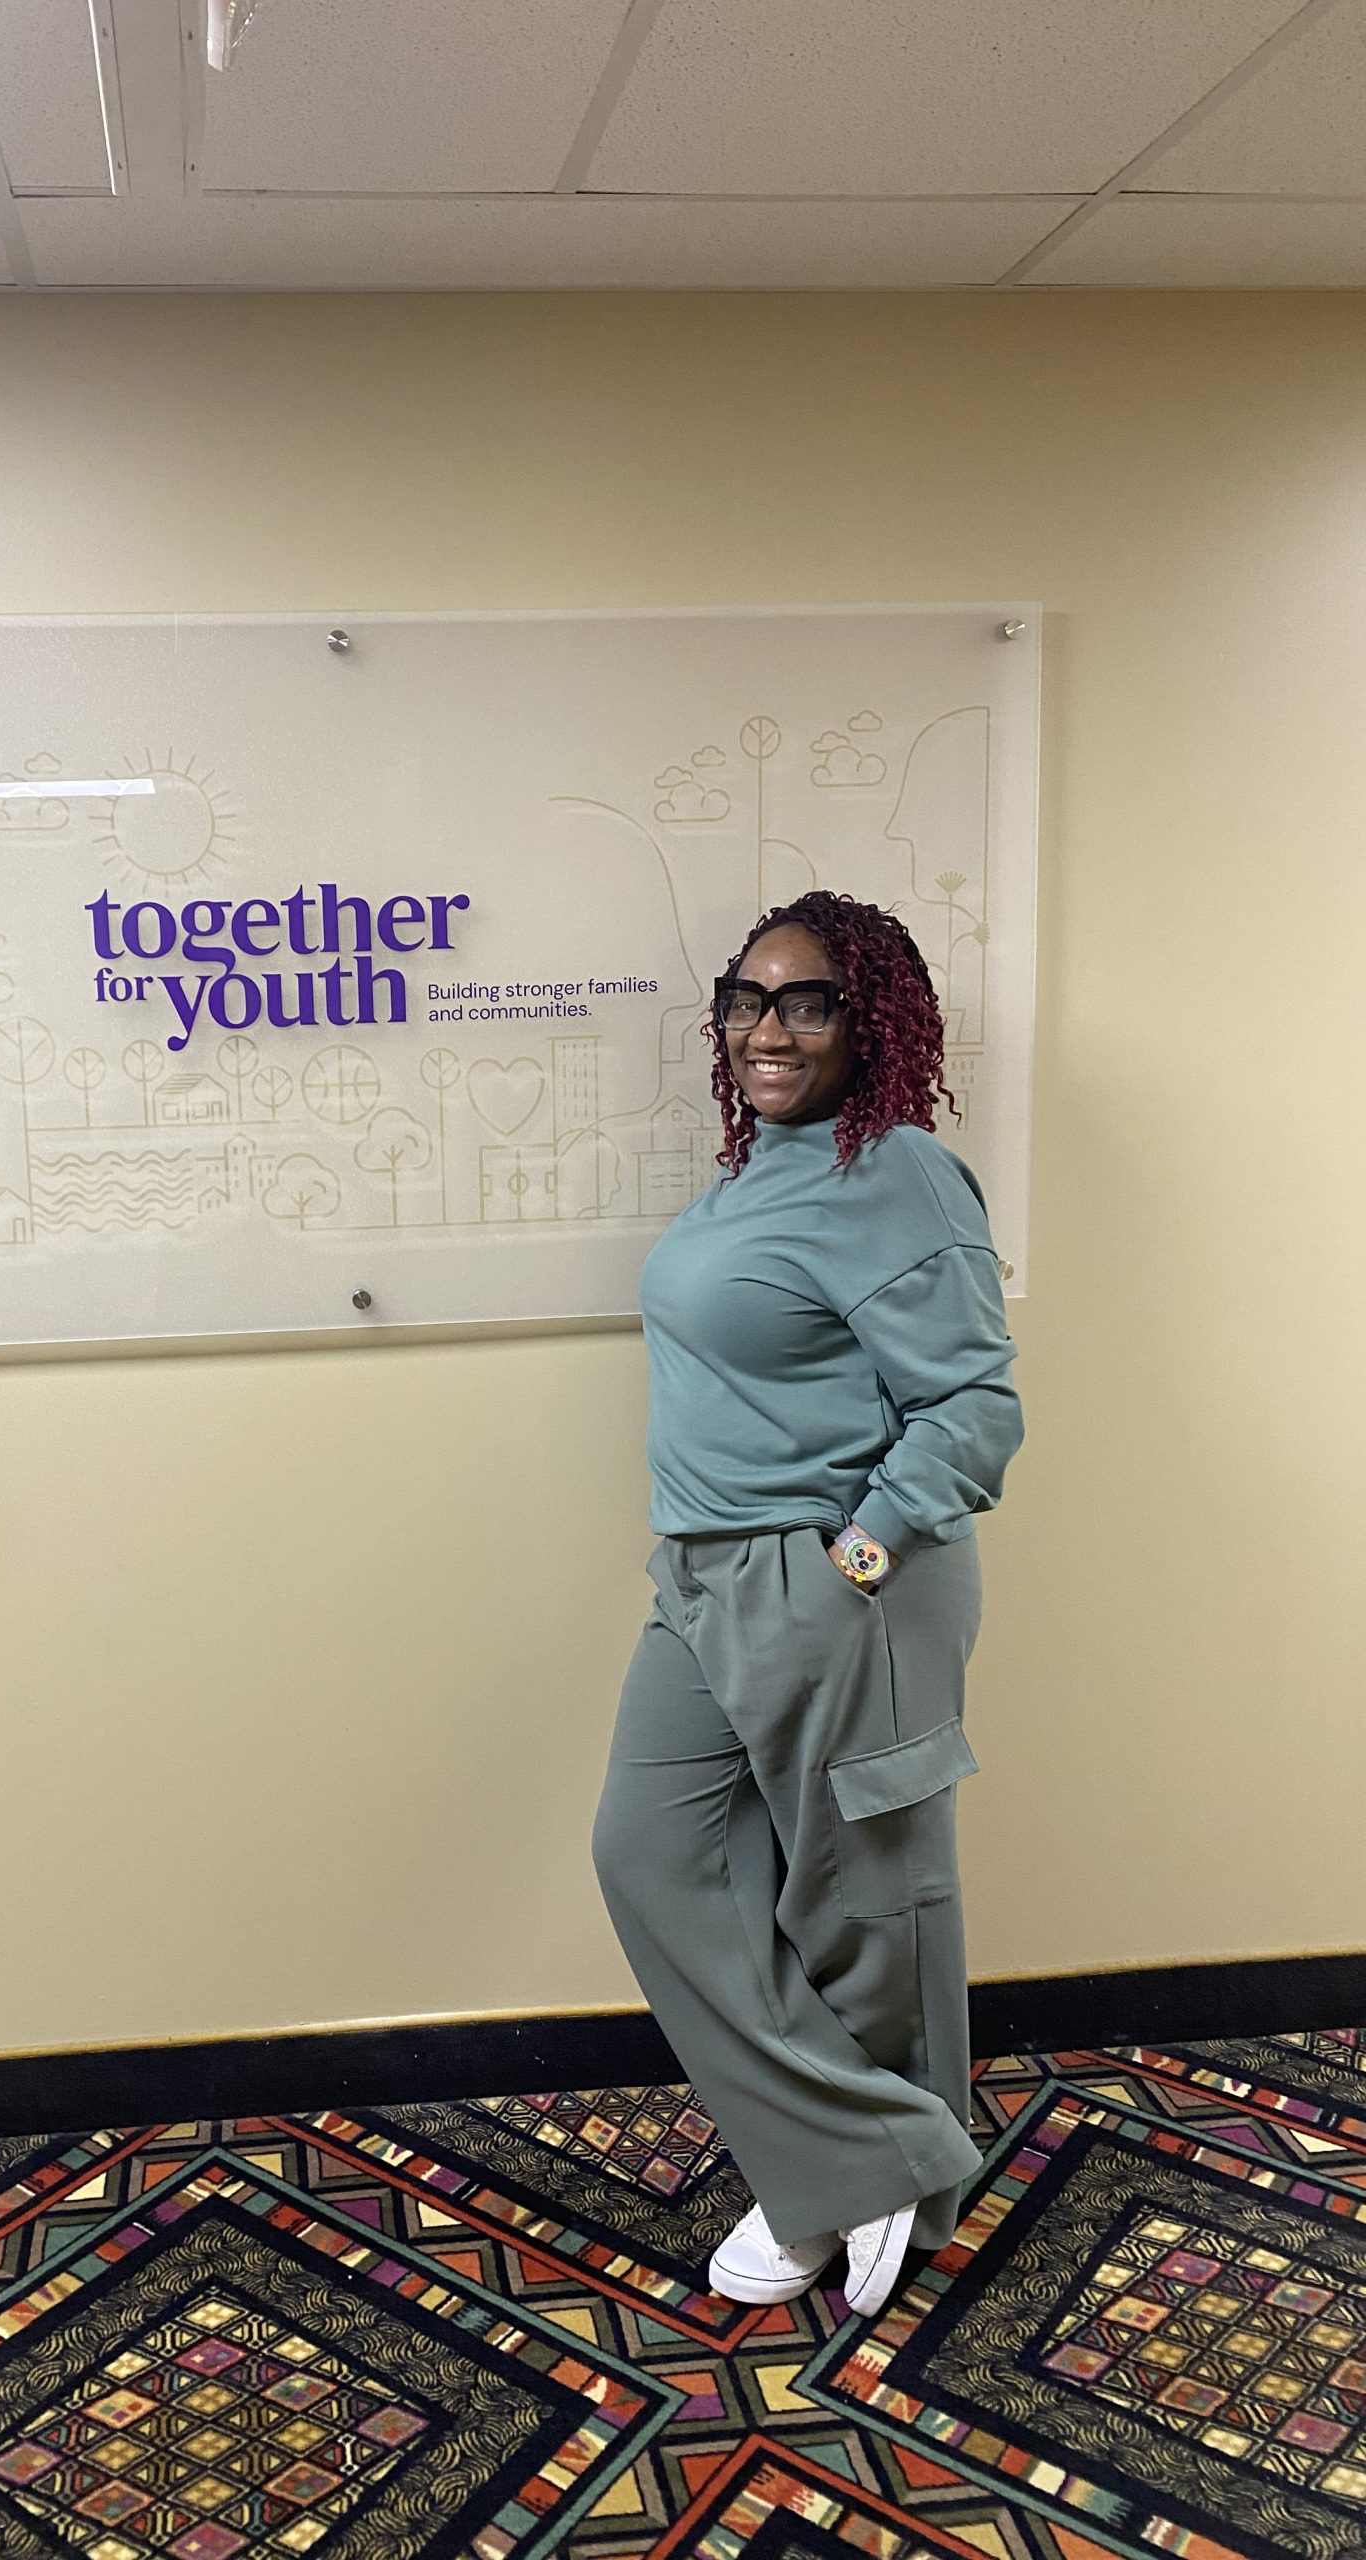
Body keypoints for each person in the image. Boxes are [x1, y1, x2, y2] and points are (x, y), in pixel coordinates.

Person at [591, 888, 1023, 2318]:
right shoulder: (760, 1166)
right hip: (704, 1574)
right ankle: (870, 2154)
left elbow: (971, 1405)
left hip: (835, 1579)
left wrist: (863, 1552)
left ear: (871, 1020)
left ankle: (853, 2184)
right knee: (652, 1856)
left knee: (866, 1904)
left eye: (809, 1000)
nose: (769, 1026)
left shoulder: (895, 1172)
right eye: (748, 997)